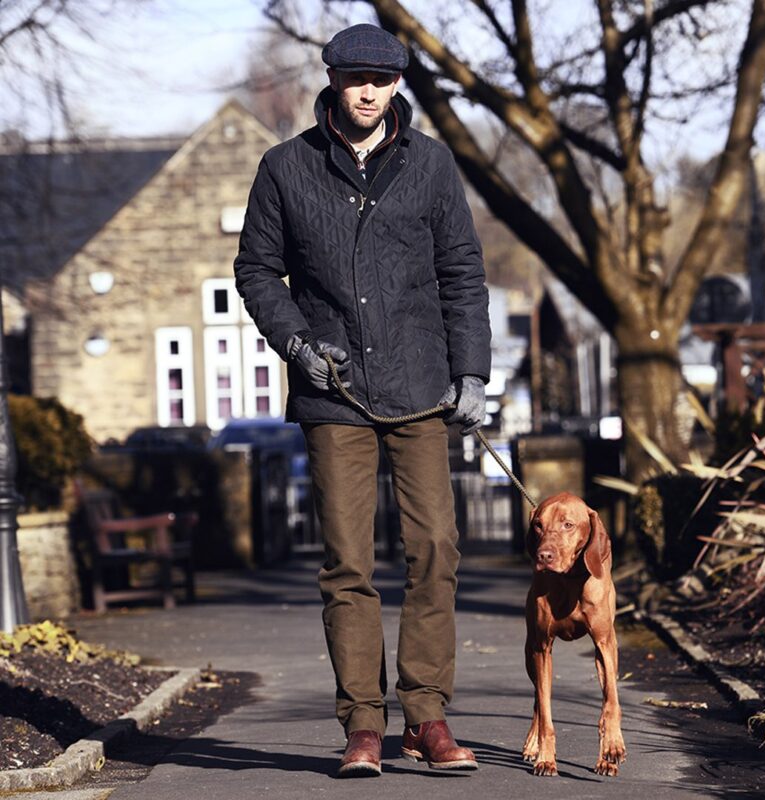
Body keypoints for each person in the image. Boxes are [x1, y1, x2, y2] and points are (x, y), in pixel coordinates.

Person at [234, 23, 491, 778]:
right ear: (334, 83)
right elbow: (255, 272)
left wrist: (471, 373)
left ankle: (428, 716)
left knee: (435, 550)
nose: (369, 91)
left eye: (382, 80)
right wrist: (297, 344)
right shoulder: (284, 169)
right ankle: (364, 726)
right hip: (333, 391)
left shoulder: (434, 166)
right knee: (348, 561)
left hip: (420, 386)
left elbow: (463, 275)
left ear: (398, 85)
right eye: (355, 80)